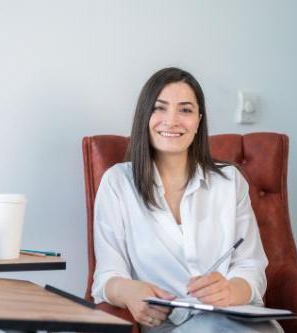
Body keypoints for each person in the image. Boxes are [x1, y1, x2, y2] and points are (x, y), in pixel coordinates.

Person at [91, 67, 283, 333]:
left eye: (185, 110)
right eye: (160, 108)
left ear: (198, 121)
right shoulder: (118, 183)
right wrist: (129, 292)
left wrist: (230, 290)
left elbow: (250, 267)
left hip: (236, 320)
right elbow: (106, 278)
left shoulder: (229, 182)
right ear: (144, 116)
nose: (172, 121)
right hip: (168, 325)